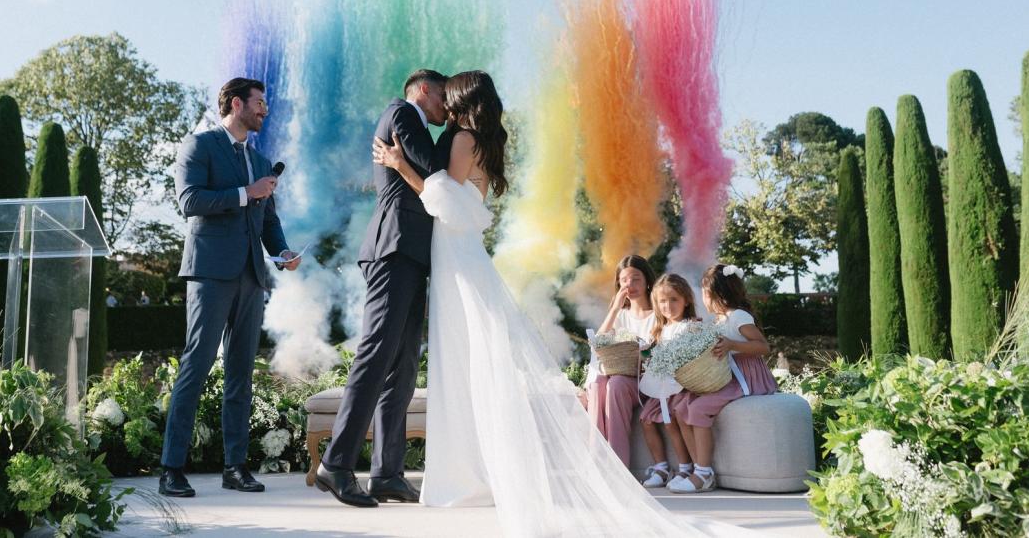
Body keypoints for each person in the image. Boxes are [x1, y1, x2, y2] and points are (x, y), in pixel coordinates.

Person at [372, 71, 753, 537]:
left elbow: (447, 202)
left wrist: (401, 165)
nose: (445, 101)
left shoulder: (464, 139)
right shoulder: (481, 140)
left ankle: (466, 476)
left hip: (456, 258)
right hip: (460, 255)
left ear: (461, 100)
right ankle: (471, 471)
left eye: (451, 95)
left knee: (464, 360)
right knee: (467, 362)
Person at [158, 77, 299, 498]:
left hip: (253, 276)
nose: (264, 110)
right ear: (236, 104)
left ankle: (235, 467)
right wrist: (244, 193)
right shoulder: (198, 145)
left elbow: (267, 219)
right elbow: (189, 201)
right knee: (196, 367)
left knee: (242, 374)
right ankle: (170, 468)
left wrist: (284, 250)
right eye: (259, 103)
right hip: (209, 273)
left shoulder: (259, 158)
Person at [314, 69, 449, 508]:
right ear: (424, 90)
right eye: (444, 97)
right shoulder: (401, 113)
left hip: (412, 255)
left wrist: (403, 164)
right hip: (392, 250)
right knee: (375, 356)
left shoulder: (409, 119)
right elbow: (435, 174)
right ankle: (335, 464)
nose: (446, 109)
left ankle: (387, 473)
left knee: (403, 366)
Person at [669, 265, 777, 494]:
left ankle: (704, 473)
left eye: (704, 292)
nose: (703, 297)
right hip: (726, 375)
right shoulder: (720, 319)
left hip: (745, 378)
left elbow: (763, 347)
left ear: (716, 294)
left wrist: (731, 345)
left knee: (698, 408)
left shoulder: (738, 316)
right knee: (680, 406)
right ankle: (698, 469)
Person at [585, 255, 657, 467]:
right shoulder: (621, 315)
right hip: (619, 377)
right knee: (599, 382)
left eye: (635, 279)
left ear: (647, 281)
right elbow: (597, 346)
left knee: (615, 384)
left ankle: (618, 467)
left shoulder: (657, 314)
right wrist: (615, 308)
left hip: (645, 381)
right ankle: (596, 461)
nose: (629, 285)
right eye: (624, 280)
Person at [637, 274, 700, 489]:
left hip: (679, 386)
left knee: (671, 421)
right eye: (663, 301)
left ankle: (685, 468)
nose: (668, 305)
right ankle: (661, 467)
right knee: (646, 420)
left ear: (686, 300)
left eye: (674, 299)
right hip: (661, 385)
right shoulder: (659, 329)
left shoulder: (690, 326)